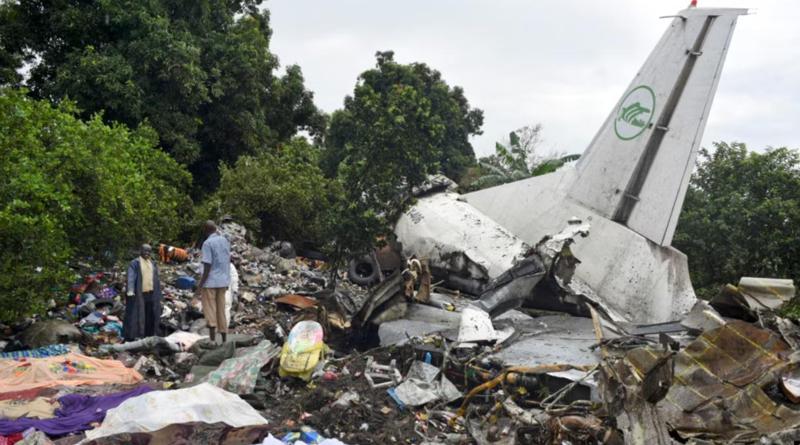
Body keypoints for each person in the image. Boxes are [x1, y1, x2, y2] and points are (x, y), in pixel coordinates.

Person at [196, 220, 231, 343]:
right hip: (223, 281)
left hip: (210, 282)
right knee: (221, 310)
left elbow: (207, 266)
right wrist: (227, 281)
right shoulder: (225, 241)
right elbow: (227, 261)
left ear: (206, 230)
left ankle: (212, 341)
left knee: (210, 310)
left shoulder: (207, 243)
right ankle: (224, 340)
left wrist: (199, 286)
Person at [124, 244, 162, 341]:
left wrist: (159, 293)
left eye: (149, 251)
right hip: (139, 294)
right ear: (140, 250)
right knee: (136, 314)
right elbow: (131, 277)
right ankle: (133, 336)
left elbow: (156, 278)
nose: (147, 253)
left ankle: (148, 334)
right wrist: (130, 290)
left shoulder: (152, 263)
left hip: (151, 293)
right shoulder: (135, 263)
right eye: (145, 251)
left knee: (150, 314)